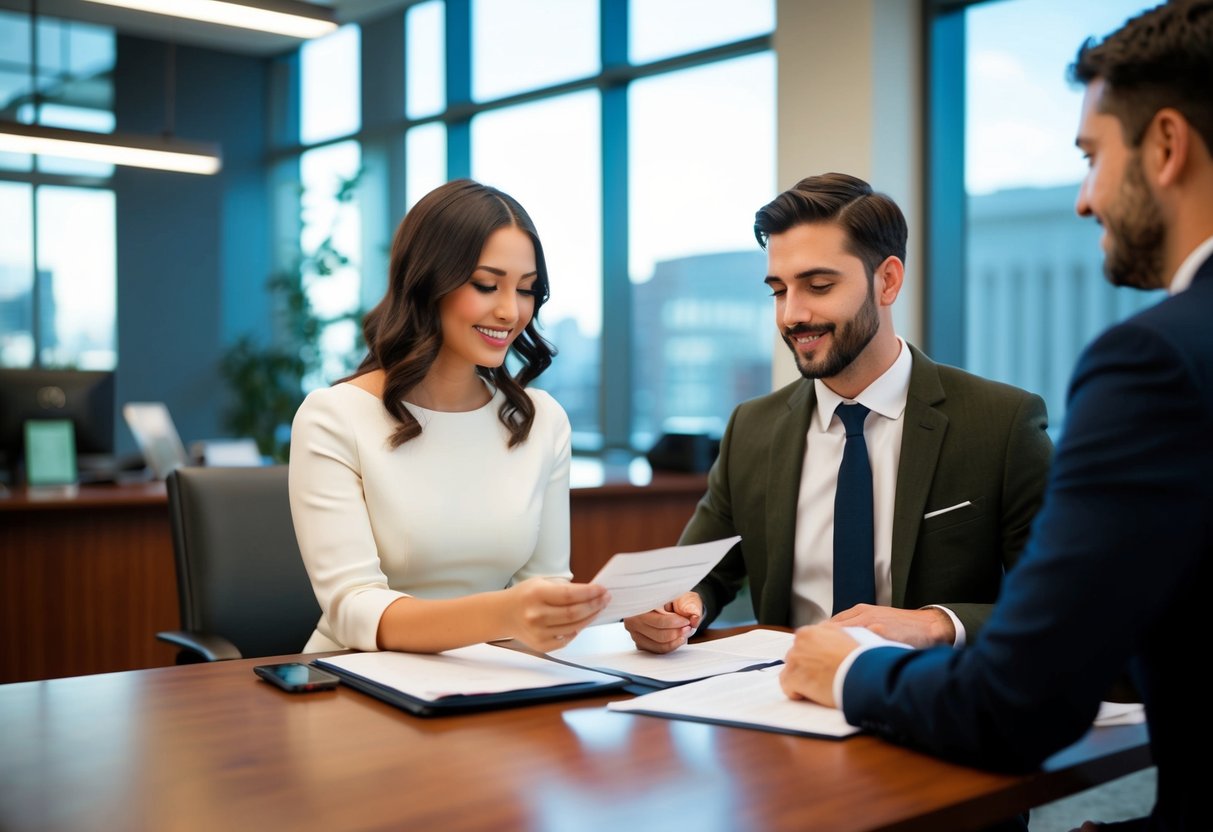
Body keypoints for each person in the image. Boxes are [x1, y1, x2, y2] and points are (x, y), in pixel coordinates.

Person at [779, 3, 1212, 829]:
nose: (1085, 200)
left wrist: (845, 671)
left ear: (1163, 146)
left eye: (1092, 157)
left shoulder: (1150, 365)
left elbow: (1018, 702)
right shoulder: (757, 427)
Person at [624, 173, 1053, 654]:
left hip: (932, 704)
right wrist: (675, 607)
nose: (792, 315)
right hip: (780, 702)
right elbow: (701, 577)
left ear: (887, 281)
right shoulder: (752, 428)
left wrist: (937, 624)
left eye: (819, 285)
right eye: (779, 291)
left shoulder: (1001, 424)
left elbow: (1060, 603)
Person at [288, 179, 608, 655]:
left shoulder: (542, 419)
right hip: (357, 684)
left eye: (525, 290)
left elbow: (544, 585)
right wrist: (502, 614)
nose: (509, 311)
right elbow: (354, 607)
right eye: (485, 285)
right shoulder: (334, 417)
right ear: (426, 281)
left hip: (488, 676)